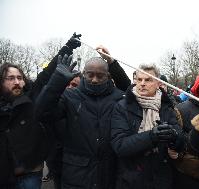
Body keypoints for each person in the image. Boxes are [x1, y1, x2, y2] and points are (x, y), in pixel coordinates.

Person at [35, 46, 131, 189]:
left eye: (100, 75)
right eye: (90, 74)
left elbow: (129, 89)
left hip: (109, 174)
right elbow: (41, 113)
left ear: (108, 76)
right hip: (77, 176)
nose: (94, 80)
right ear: (83, 74)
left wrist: (112, 63)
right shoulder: (70, 96)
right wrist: (57, 81)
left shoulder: (118, 97)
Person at [0, 33, 81, 189]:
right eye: (10, 78)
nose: (17, 82)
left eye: (19, 77)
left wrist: (68, 47)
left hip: (30, 175)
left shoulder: (31, 96)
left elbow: (47, 73)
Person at [110, 64, 184, 189]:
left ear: (158, 83)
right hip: (131, 180)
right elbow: (119, 145)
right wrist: (151, 136)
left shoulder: (166, 107)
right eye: (139, 79)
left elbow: (181, 141)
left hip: (161, 180)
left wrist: (173, 136)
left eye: (148, 80)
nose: (142, 83)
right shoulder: (122, 106)